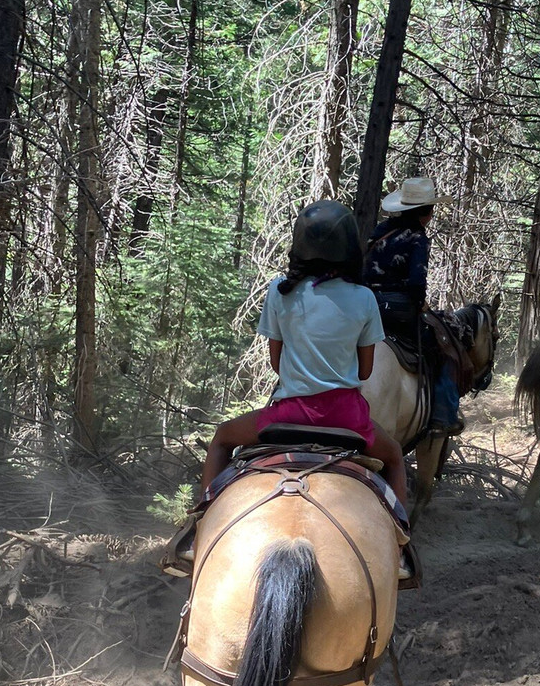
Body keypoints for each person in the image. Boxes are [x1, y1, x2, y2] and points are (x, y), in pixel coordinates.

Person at [163, 200, 409, 578]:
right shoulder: (364, 298)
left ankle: (200, 528)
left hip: (289, 413)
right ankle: (400, 549)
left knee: (223, 438)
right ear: (349, 249)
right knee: (393, 457)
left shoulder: (279, 293)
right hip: (348, 417)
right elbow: (365, 369)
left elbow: (276, 363)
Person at [364, 176, 462, 435]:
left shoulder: (380, 230)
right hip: (397, 309)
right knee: (443, 349)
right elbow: (417, 281)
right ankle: (443, 416)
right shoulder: (418, 236)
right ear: (426, 213)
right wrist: (419, 305)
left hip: (364, 306)